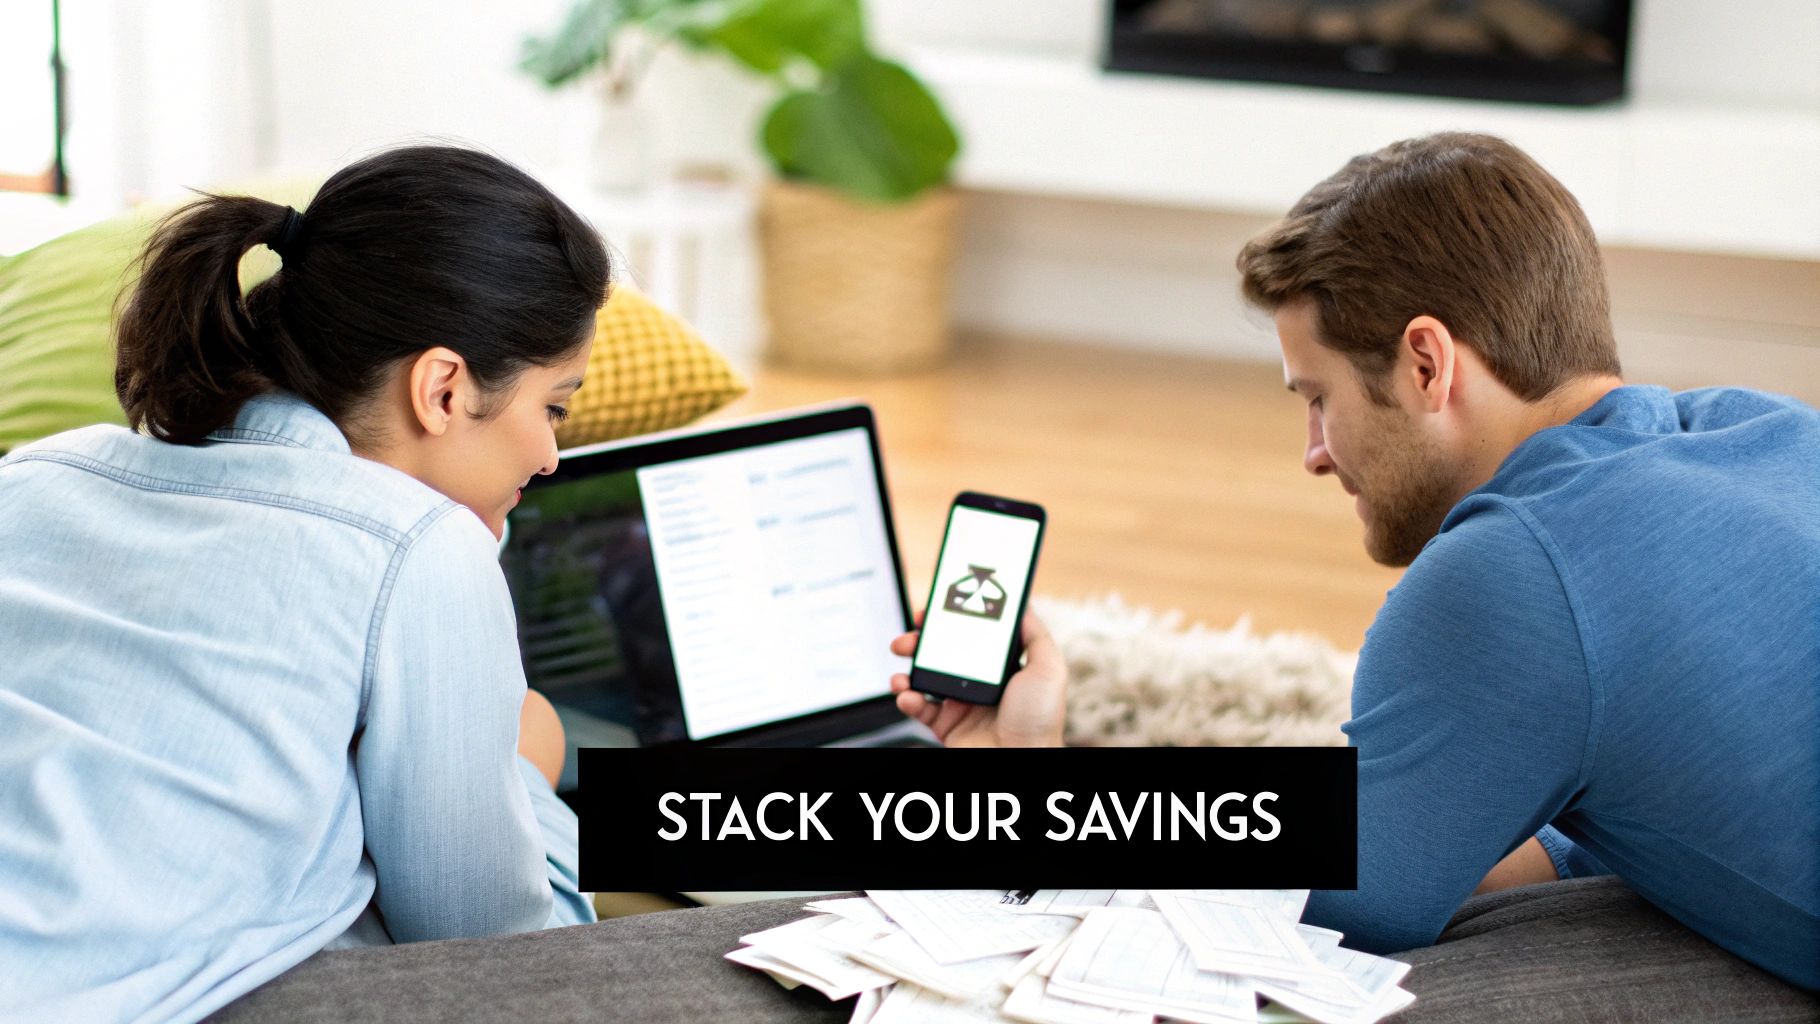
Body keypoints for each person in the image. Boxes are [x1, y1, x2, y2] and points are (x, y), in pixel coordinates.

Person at [890, 132, 1819, 994]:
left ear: (1426, 364)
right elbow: (1552, 827)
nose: (1315, 453)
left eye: (1319, 397)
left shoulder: (1512, 573)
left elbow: (1343, 896)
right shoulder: (1771, 429)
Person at [0, 145, 608, 1021]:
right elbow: (495, 951)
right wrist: (523, 766)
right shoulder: (418, 549)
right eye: (552, 407)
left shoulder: (39, 472)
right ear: (441, 388)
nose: (551, 455)